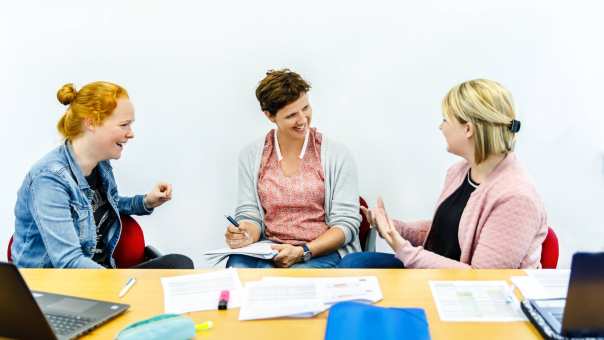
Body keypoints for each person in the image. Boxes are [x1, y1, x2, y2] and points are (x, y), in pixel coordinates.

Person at [339, 79, 548, 269]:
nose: (441, 127)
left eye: (446, 120)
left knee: (355, 267)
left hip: (473, 295)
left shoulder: (516, 198)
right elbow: (445, 235)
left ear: (468, 129)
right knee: (353, 263)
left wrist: (401, 247)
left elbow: (482, 279)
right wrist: (393, 227)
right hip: (439, 277)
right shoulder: (459, 171)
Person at [12, 81, 193, 269]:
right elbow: (69, 263)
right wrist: (120, 283)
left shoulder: (100, 164)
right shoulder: (49, 179)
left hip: (99, 277)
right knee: (174, 269)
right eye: (124, 125)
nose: (131, 134)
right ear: (91, 122)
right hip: (58, 288)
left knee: (178, 264)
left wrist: (146, 202)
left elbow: (105, 204)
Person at [224, 69, 361, 268]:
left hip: (319, 251)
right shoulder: (252, 155)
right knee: (238, 273)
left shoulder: (337, 155)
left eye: (306, 108)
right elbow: (250, 213)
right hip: (269, 249)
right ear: (270, 116)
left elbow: (346, 224)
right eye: (291, 115)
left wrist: (303, 251)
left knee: (289, 283)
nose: (302, 120)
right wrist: (245, 233)